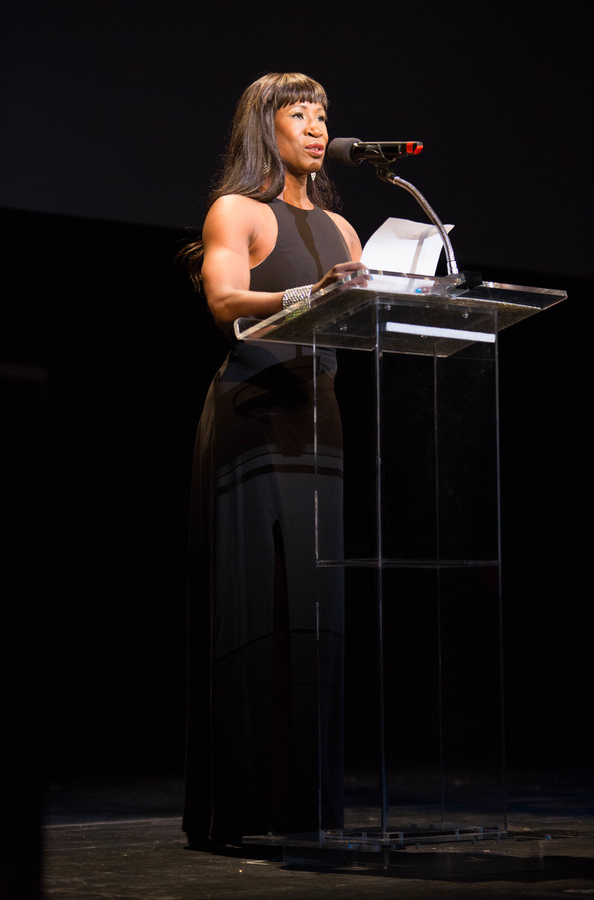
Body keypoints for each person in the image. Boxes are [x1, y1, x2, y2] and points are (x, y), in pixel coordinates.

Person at [180, 72, 367, 850]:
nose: (318, 127)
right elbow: (225, 302)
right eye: (301, 114)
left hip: (318, 418)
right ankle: (241, 807)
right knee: (256, 605)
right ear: (268, 127)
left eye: (324, 114)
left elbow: (361, 315)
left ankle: (305, 806)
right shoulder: (239, 211)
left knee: (317, 612)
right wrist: (306, 293)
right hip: (253, 415)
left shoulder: (344, 227)